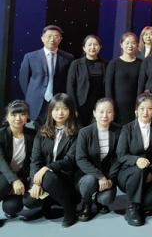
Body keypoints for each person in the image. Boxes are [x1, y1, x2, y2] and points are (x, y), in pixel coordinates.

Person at [25, 93, 79, 228]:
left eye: (64, 108)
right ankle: (47, 206)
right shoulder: (42, 131)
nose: (60, 113)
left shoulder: (78, 132)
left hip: (66, 178)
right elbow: (35, 160)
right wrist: (35, 182)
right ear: (50, 111)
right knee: (29, 201)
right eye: (56, 109)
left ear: (71, 110)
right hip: (44, 177)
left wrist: (46, 169)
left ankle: (70, 211)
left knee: (48, 177)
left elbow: (69, 160)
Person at [116, 93, 152, 226]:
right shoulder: (127, 128)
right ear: (136, 110)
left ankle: (140, 206)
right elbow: (121, 154)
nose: (145, 112)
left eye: (150, 108)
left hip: (150, 173)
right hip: (128, 173)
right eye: (142, 108)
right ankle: (132, 208)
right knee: (139, 170)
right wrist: (136, 160)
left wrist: (151, 171)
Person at [76, 98, 121, 222]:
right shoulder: (84, 132)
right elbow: (80, 159)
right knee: (89, 181)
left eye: (109, 112)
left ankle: (99, 202)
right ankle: (86, 204)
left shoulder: (119, 131)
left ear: (113, 114)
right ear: (94, 113)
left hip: (108, 175)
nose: (105, 115)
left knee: (106, 198)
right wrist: (100, 177)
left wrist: (110, 178)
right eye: (101, 112)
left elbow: (119, 158)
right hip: (88, 175)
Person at [19, 25, 74, 123]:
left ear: (60, 39)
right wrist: (32, 95)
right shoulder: (30, 57)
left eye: (56, 36)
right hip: (35, 101)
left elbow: (68, 80)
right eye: (49, 36)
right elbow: (23, 80)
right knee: (34, 129)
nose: (52, 39)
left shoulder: (68, 58)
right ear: (42, 38)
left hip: (57, 101)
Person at [0, 100, 35, 223]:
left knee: (11, 207)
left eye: (22, 114)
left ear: (27, 116)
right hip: (4, 175)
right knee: (4, 183)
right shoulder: (1, 134)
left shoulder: (32, 135)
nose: (18, 118)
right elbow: (1, 161)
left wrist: (28, 180)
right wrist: (14, 180)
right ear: (7, 117)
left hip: (22, 177)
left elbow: (35, 160)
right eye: (13, 115)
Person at [66, 35, 106, 126]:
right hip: (81, 105)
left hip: (98, 106)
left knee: (95, 130)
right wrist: (74, 108)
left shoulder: (105, 65)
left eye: (95, 44)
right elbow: (70, 87)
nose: (93, 47)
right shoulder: (76, 64)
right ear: (84, 48)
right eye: (89, 45)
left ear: (100, 47)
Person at [105, 32, 142, 125]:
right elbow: (108, 87)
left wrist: (139, 105)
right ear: (121, 45)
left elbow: (141, 86)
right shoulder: (114, 63)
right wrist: (110, 106)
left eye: (133, 43)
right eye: (127, 43)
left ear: (137, 45)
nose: (130, 46)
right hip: (117, 106)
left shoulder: (141, 63)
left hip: (135, 106)